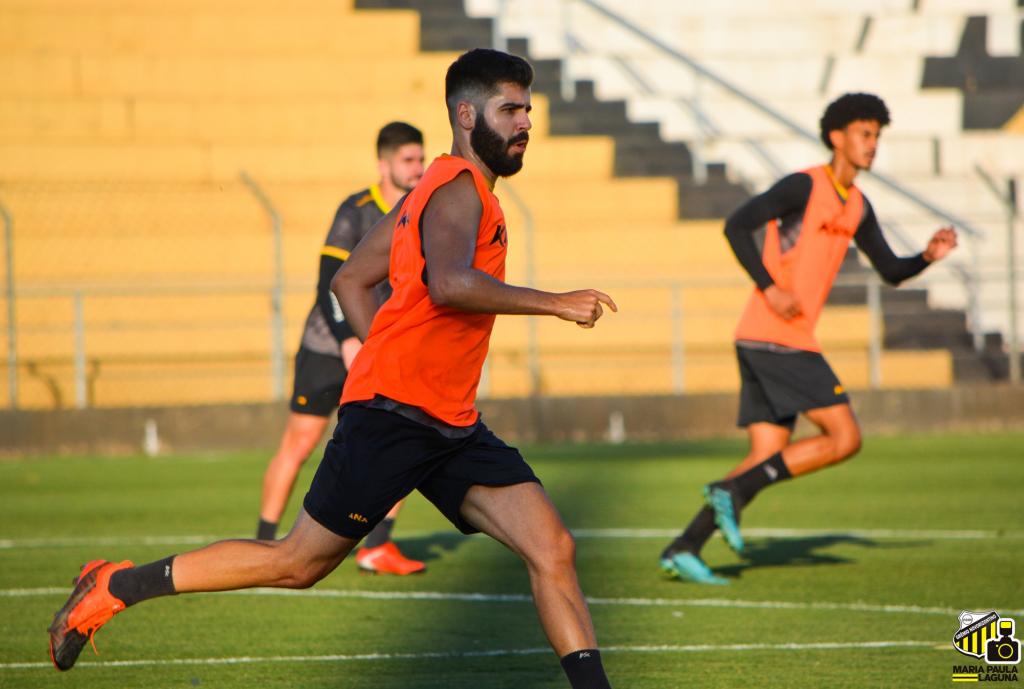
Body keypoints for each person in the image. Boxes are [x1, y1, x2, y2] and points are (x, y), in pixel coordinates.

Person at [47, 48, 618, 689]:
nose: (524, 123)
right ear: (466, 113)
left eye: (528, 111)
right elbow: (453, 283)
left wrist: (391, 355)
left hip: (448, 421)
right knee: (297, 562)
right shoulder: (459, 192)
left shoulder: (432, 190)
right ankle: (114, 586)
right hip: (398, 420)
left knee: (553, 549)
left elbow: (351, 280)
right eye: (509, 109)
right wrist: (557, 303)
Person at [659, 93, 959, 585]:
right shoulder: (804, 185)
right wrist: (770, 286)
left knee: (763, 458)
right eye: (865, 134)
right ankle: (726, 494)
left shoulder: (858, 206)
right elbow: (736, 226)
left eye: (877, 136)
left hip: (765, 338)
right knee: (845, 437)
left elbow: (890, 270)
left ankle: (685, 546)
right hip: (778, 337)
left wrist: (926, 256)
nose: (872, 144)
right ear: (837, 136)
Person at [257, 121, 426, 576]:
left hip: (381, 345)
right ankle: (261, 543)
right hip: (328, 344)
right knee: (302, 440)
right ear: (383, 164)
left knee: (403, 438)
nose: (417, 168)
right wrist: (348, 338)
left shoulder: (424, 211)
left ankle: (377, 547)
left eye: (420, 159)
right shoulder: (356, 211)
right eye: (408, 160)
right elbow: (329, 282)